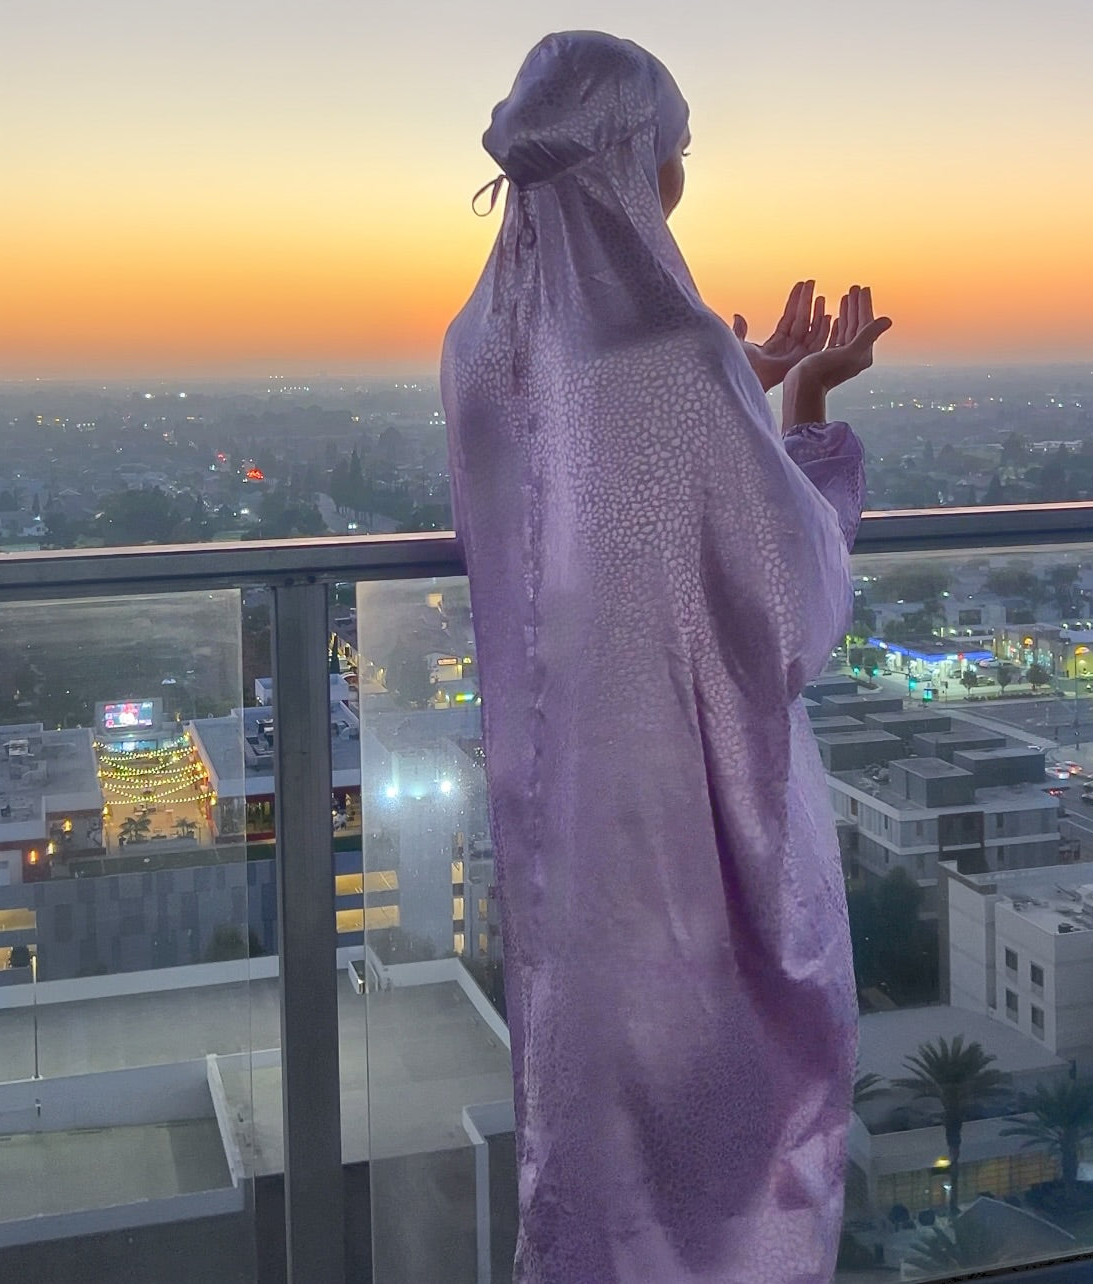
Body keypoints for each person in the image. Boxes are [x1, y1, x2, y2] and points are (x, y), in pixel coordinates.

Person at [442, 31, 890, 1283]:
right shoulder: (675, 356)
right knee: (722, 1109)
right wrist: (799, 412)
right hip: (690, 819)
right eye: (676, 150)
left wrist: (736, 390)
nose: (682, 173)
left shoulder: (483, 347)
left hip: (567, 820)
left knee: (594, 1100)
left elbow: (583, 516)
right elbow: (788, 603)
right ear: (636, 160)